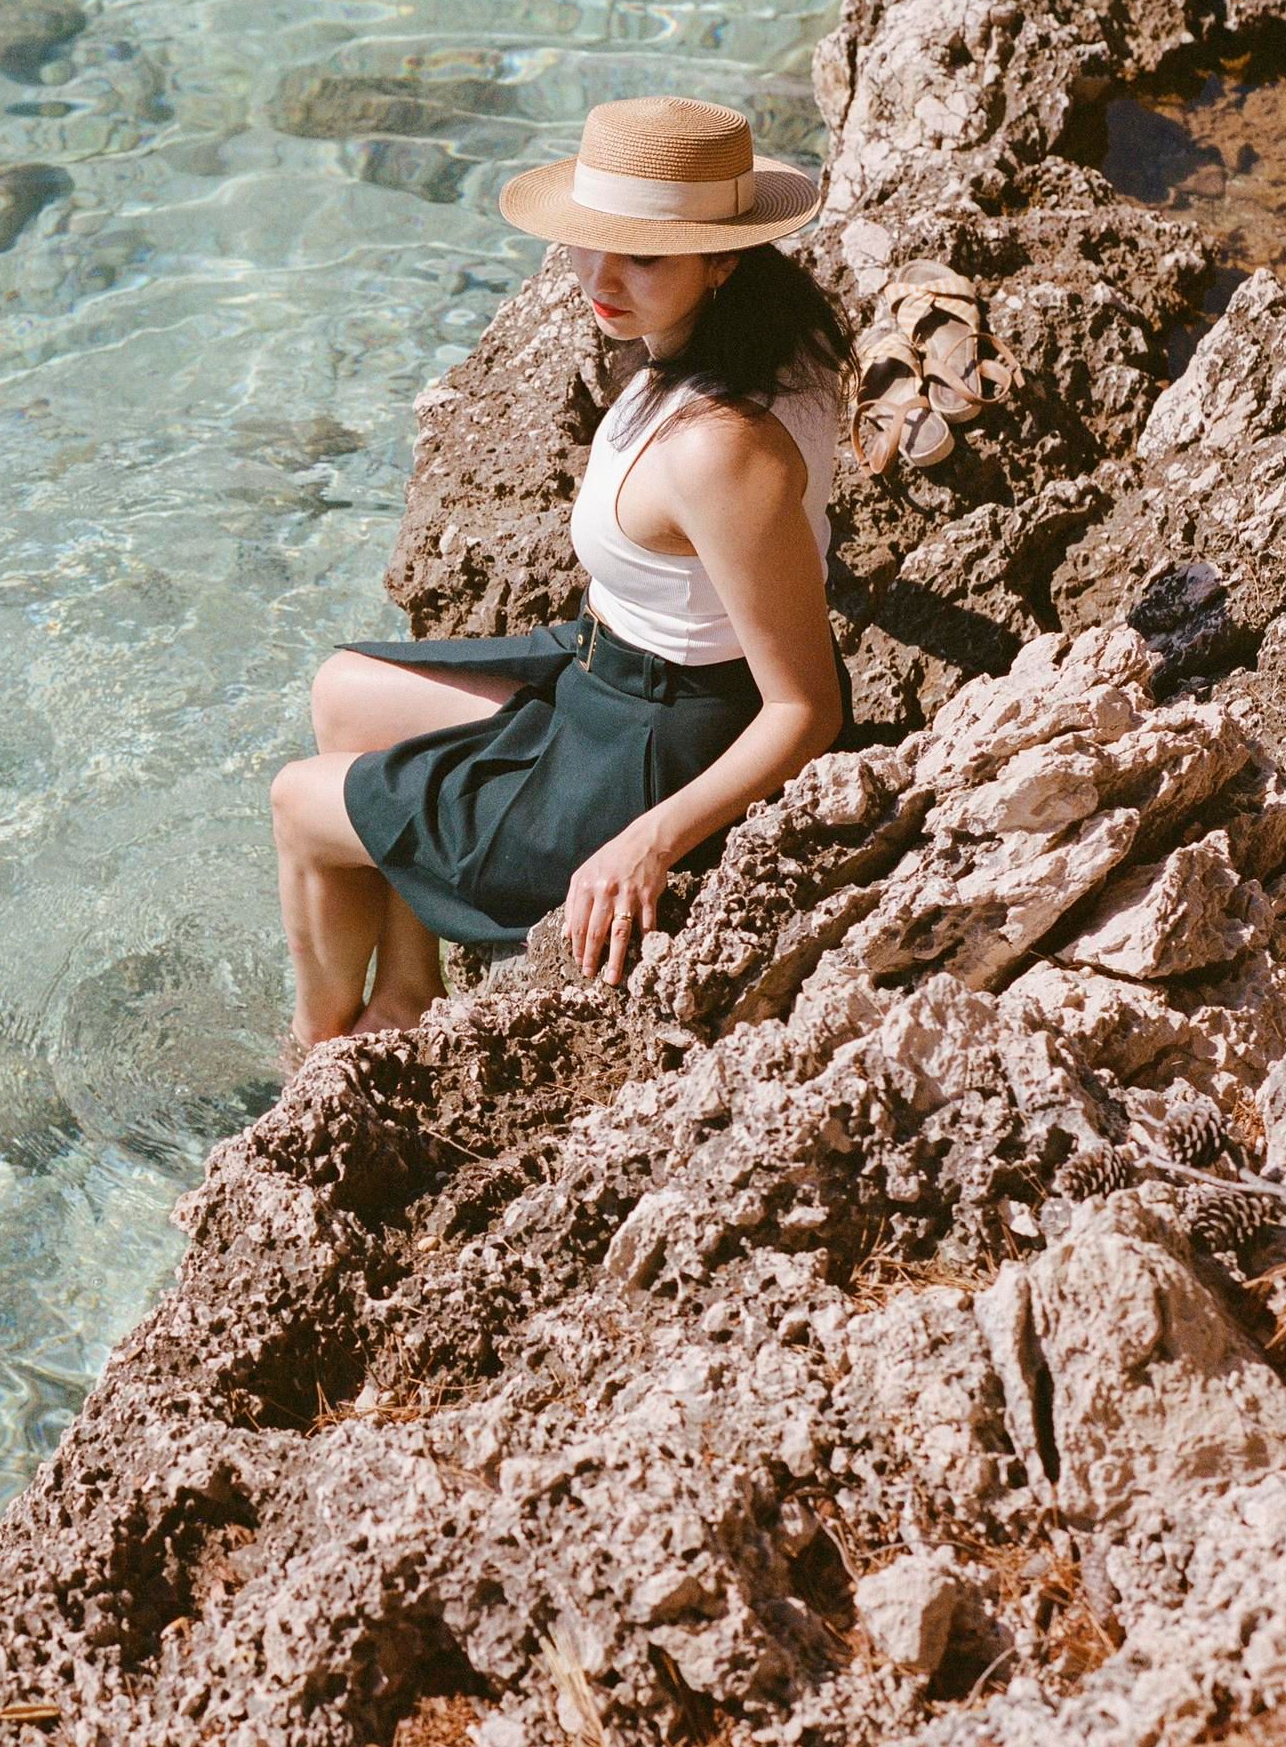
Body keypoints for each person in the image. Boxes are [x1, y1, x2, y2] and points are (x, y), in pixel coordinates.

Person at [272, 94, 852, 1047]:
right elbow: (784, 539)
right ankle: (407, 995)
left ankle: (318, 1054)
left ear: (725, 258)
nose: (601, 279)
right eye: (592, 241)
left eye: (643, 256)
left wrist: (645, 845)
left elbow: (806, 711)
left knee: (299, 803)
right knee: (347, 696)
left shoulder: (720, 447)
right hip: (607, 674)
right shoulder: (766, 339)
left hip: (657, 756)